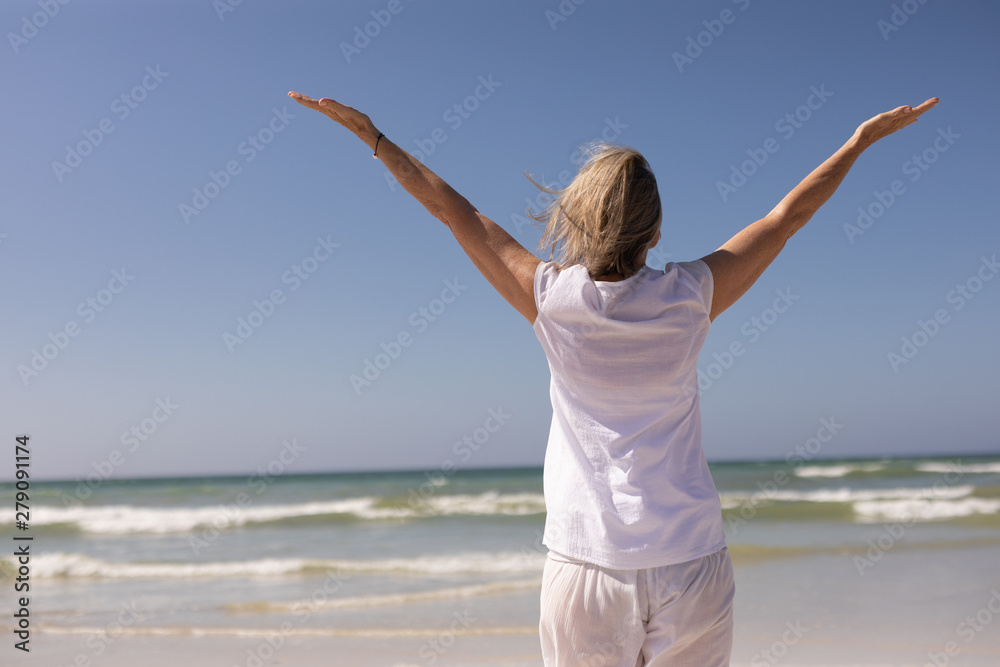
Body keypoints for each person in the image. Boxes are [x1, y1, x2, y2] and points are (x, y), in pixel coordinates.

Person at [288, 90, 938, 666]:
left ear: (578, 221)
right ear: (654, 231)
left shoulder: (549, 296)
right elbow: (787, 218)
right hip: (691, 564)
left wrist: (374, 138)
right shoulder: (691, 295)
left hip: (586, 568)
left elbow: (450, 209)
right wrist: (858, 142)